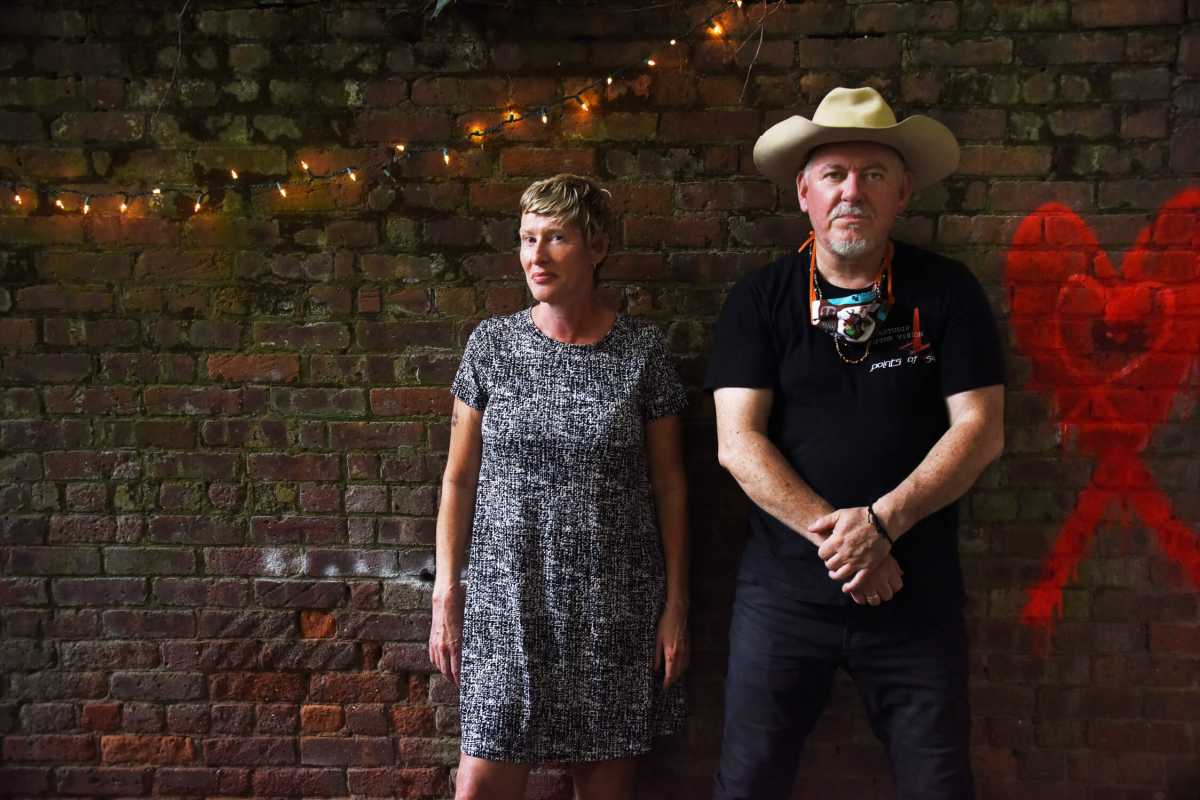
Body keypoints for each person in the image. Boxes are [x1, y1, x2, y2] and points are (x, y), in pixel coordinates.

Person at [706, 87, 1006, 799]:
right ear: (803, 192)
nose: (853, 191)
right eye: (835, 174)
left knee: (938, 785)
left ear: (903, 193)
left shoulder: (947, 291)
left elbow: (981, 429)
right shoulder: (761, 298)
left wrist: (883, 525)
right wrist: (849, 546)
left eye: (874, 174)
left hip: (914, 593)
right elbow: (736, 442)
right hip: (784, 598)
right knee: (747, 784)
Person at [429, 174, 690, 800]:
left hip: (613, 605)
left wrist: (676, 605)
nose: (535, 256)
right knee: (481, 783)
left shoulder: (643, 352)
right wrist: (446, 591)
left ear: (597, 247)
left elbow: (671, 486)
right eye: (526, 239)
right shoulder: (492, 345)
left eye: (556, 238)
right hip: (506, 602)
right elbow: (458, 479)